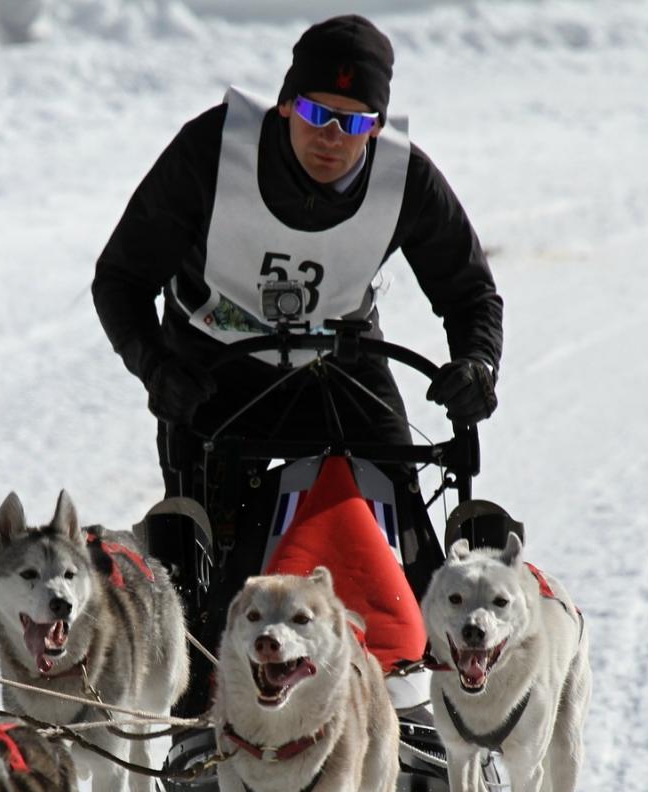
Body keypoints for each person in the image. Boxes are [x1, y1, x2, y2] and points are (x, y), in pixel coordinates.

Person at [93, 13, 504, 706]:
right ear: (286, 104)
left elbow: (470, 291)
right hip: (214, 367)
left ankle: (440, 699)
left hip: (340, 364)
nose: (331, 136)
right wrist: (155, 367)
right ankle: (203, 713)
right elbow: (120, 281)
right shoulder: (209, 154)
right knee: (203, 548)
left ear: (377, 126)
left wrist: (477, 365)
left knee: (403, 505)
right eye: (315, 112)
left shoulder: (406, 178)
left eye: (354, 121)